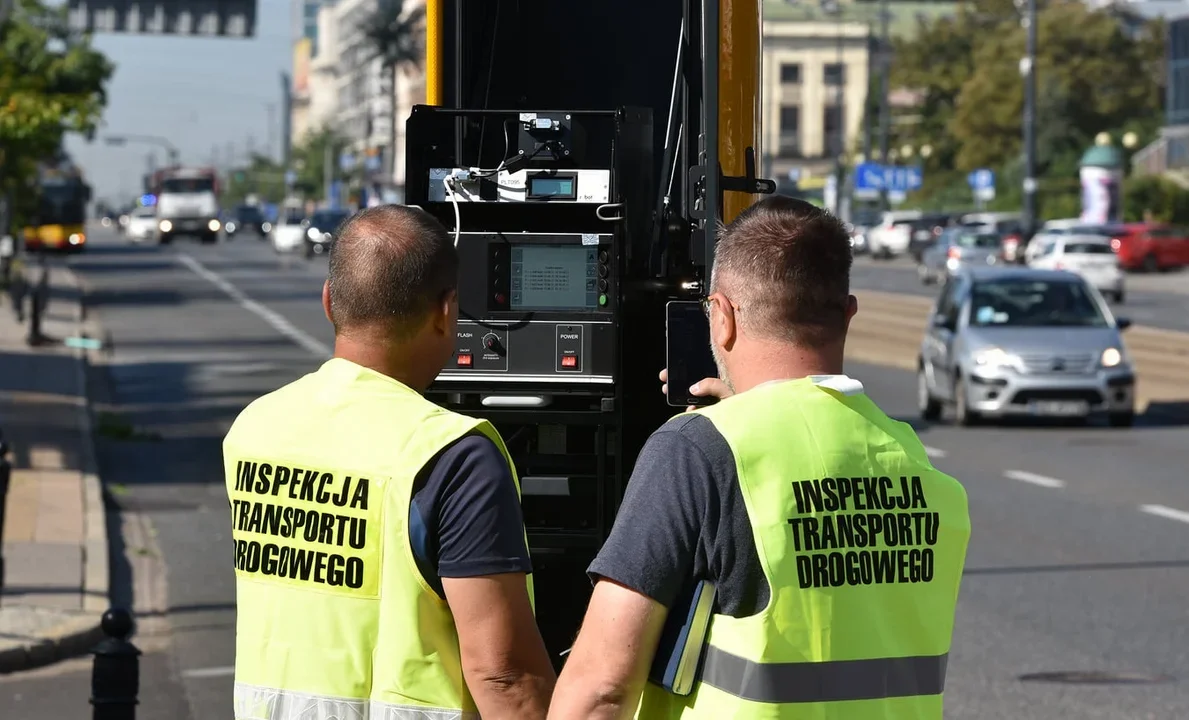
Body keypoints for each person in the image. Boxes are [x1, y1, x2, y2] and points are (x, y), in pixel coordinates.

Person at [548, 196, 971, 719]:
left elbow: (598, 693)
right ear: (849, 314)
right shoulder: (912, 461)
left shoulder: (697, 452)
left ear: (721, 317)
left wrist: (723, 432)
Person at [223, 205, 555, 720]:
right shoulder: (451, 454)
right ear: (447, 312)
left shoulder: (255, 427)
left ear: (330, 302)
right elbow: (504, 676)